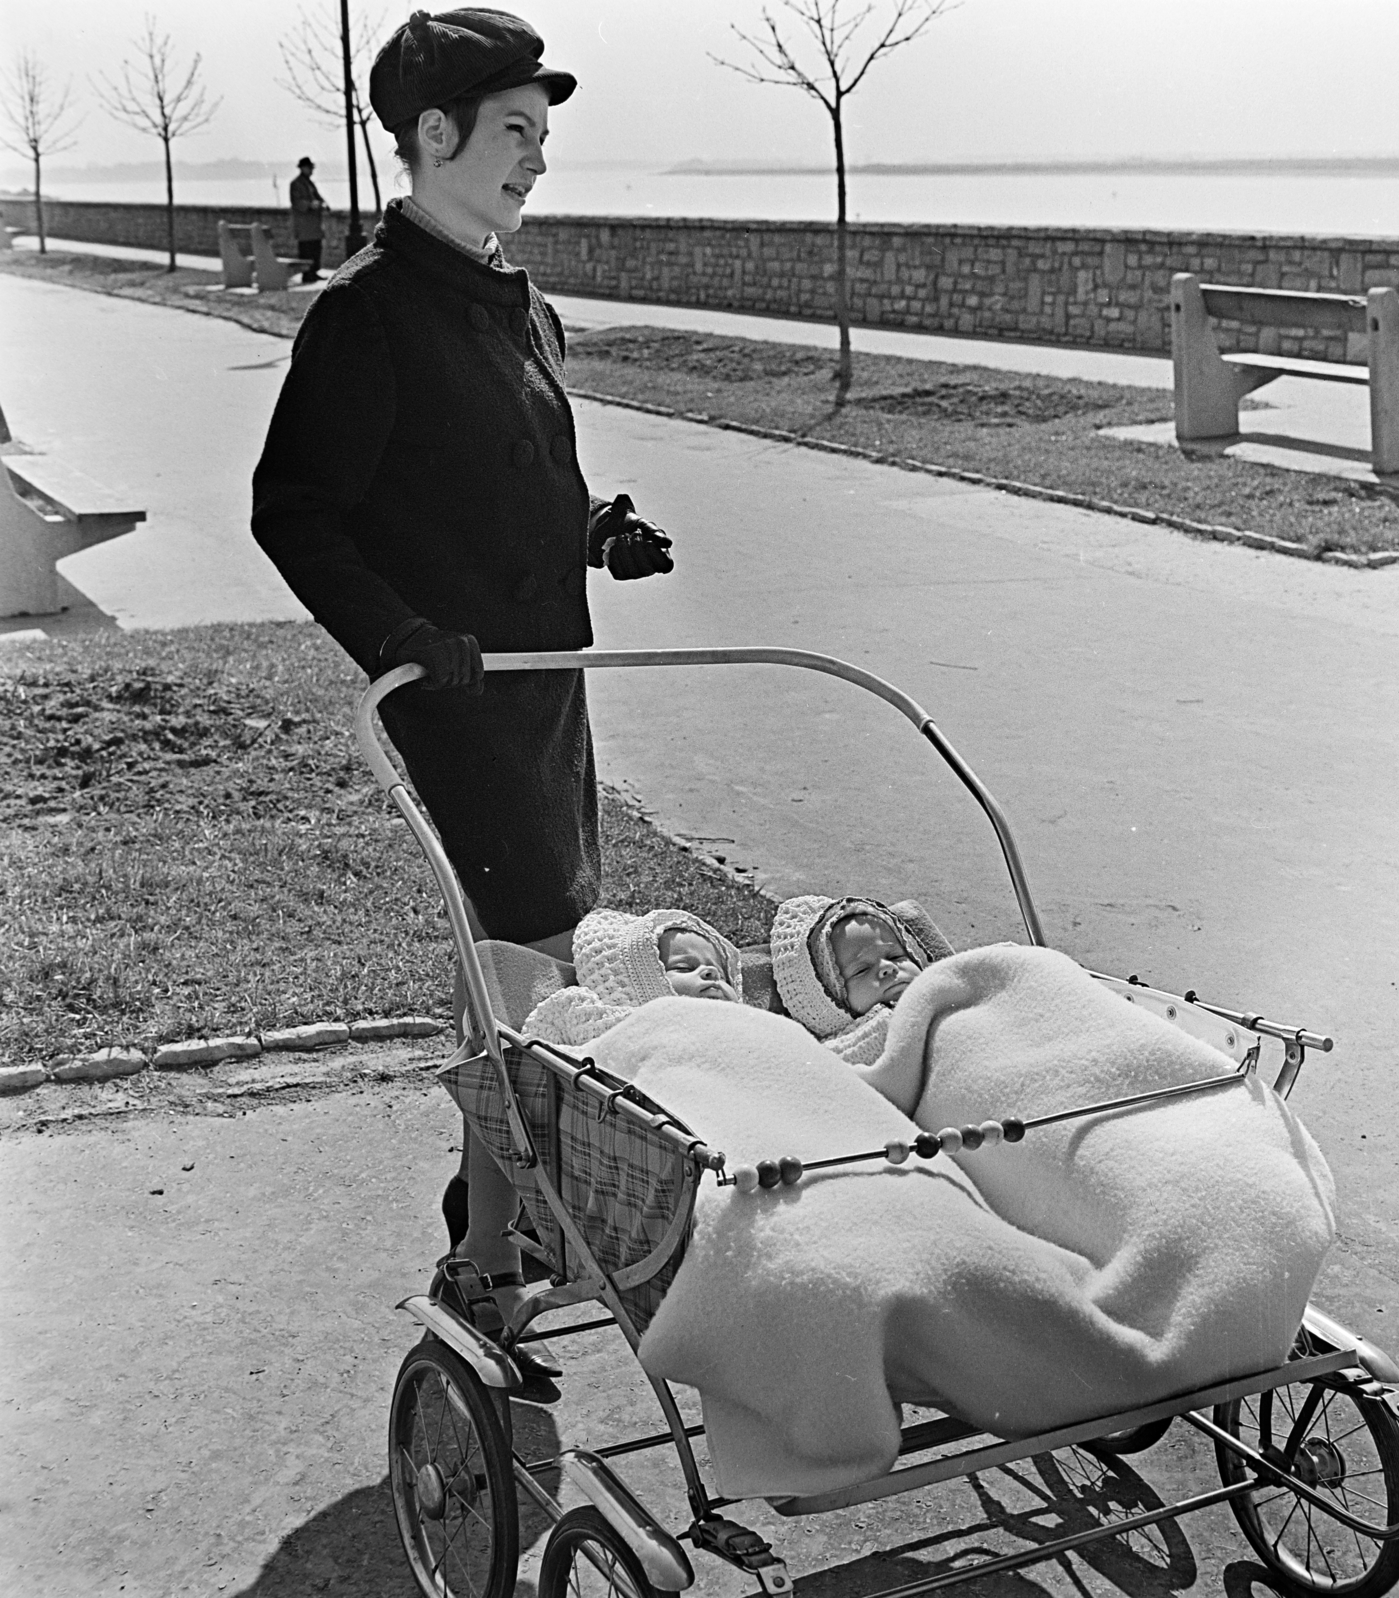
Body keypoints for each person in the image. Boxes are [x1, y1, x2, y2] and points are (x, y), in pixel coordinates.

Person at [251, 7, 675, 1377]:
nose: (535, 161)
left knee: (541, 965)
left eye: (544, 139)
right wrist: (399, 636)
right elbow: (296, 511)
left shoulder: (520, 298)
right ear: (431, 136)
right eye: (511, 133)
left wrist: (598, 521)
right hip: (457, 698)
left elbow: (511, 476)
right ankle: (487, 1255)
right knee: (513, 971)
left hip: (545, 688)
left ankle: (508, 1216)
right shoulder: (368, 311)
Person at [770, 896, 955, 1066]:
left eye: (896, 956)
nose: (887, 968)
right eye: (862, 970)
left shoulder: (949, 988)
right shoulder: (836, 1054)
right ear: (831, 1001)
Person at [522, 907, 743, 1044]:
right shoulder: (620, 1028)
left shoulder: (744, 1028)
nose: (711, 972)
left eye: (722, 975)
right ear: (639, 988)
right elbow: (553, 1023)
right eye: (684, 967)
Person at [288, 157, 326, 283]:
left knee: (316, 248)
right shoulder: (295, 184)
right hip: (304, 225)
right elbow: (297, 202)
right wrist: (310, 205)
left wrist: (323, 203)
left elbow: (318, 197)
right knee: (306, 250)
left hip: (314, 224)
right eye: (309, 168)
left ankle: (314, 272)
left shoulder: (309, 183)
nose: (311, 171)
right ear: (303, 168)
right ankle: (307, 275)